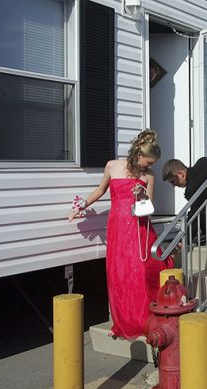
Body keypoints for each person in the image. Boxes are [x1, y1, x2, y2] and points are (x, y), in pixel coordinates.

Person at [68, 130, 174, 340]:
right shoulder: (112, 166)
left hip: (139, 228)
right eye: (149, 162)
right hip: (118, 228)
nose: (150, 166)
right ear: (139, 155)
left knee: (142, 272)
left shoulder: (149, 176)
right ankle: (123, 321)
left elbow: (150, 206)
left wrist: (142, 194)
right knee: (121, 273)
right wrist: (82, 206)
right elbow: (100, 189)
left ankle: (146, 318)